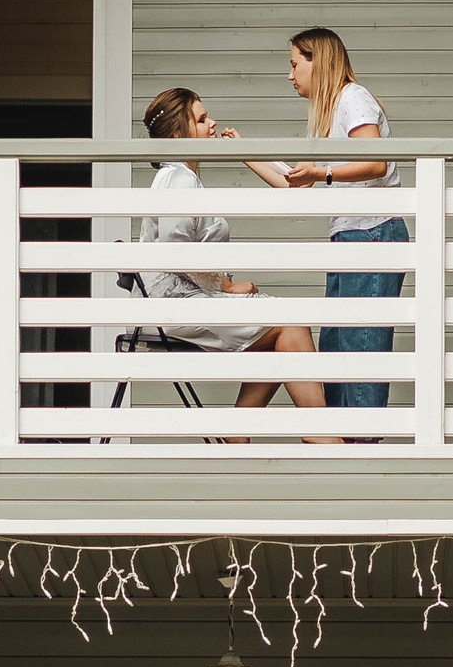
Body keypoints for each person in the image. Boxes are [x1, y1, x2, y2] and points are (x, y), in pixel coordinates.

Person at [134, 87, 339, 444]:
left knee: (278, 333)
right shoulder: (177, 179)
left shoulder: (183, 176)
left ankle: (241, 435)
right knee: (289, 324)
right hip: (178, 307)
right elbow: (174, 251)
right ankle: (320, 437)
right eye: (201, 119)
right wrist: (225, 286)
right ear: (179, 136)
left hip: (189, 299)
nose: (212, 124)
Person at [248, 29, 402, 423]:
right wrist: (241, 151)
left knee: (360, 344)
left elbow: (376, 162)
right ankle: (340, 438)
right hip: (350, 236)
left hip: (372, 232)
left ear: (318, 61)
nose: (290, 75)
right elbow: (296, 183)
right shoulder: (329, 112)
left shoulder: (353, 97)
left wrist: (322, 171)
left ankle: (360, 441)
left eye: (294, 63)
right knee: (337, 343)